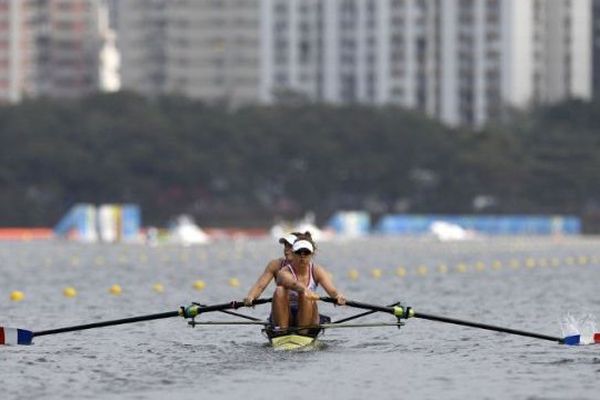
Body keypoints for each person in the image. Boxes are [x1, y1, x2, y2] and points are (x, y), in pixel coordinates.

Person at [271, 232, 346, 332]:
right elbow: (291, 283)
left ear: (311, 254)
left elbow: (332, 291)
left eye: (306, 252)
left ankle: (303, 332)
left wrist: (338, 296)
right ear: (293, 253)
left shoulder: (317, 270)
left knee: (305, 296)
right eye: (299, 252)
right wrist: (305, 290)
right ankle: (283, 331)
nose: (302, 256)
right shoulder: (284, 272)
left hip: (309, 314)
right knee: (280, 290)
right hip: (287, 314)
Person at [243, 232, 300, 306]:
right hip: (283, 307)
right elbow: (260, 286)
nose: (286, 250)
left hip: (304, 307)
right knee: (279, 291)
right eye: (286, 246)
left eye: (291, 246)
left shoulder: (311, 267)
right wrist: (251, 297)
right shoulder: (275, 265)